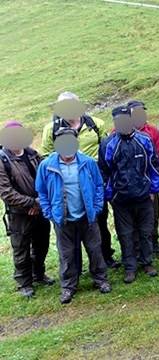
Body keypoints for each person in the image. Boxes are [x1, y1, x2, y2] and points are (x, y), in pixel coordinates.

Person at [41, 92, 117, 268]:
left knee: (99, 221)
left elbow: (105, 148)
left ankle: (105, 257)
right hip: (66, 182)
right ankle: (74, 267)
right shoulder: (50, 129)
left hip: (94, 179)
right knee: (69, 227)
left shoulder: (95, 124)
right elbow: (45, 156)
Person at [36, 128, 111, 304]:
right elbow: (41, 191)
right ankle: (68, 287)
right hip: (62, 219)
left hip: (87, 216)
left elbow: (99, 185)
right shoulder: (46, 165)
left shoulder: (87, 162)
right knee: (67, 254)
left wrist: (97, 206)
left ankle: (101, 280)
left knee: (95, 249)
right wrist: (49, 213)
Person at [99, 106, 159, 283]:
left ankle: (147, 262)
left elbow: (154, 166)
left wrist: (153, 190)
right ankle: (130, 266)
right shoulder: (108, 143)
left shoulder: (144, 140)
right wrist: (111, 195)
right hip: (121, 200)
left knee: (145, 231)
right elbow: (104, 172)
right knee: (125, 234)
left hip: (144, 196)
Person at [0, 120, 54, 298]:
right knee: (21, 248)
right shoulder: (2, 160)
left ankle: (39, 274)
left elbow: (45, 178)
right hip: (19, 214)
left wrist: (40, 202)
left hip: (40, 208)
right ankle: (24, 282)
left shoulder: (33, 154)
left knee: (42, 244)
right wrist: (32, 203)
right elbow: (6, 192)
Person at [127, 100, 159, 256]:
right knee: (133, 217)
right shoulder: (117, 132)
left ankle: (154, 241)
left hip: (150, 182)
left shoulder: (152, 131)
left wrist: (153, 179)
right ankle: (136, 247)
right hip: (130, 184)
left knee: (153, 213)